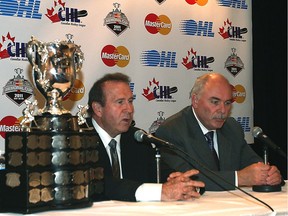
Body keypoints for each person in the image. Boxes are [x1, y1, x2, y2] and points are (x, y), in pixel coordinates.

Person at [86, 72, 205, 201]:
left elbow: (161, 173)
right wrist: (159, 192)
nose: (129, 109)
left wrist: (185, 184)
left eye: (130, 101)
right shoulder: (78, 140)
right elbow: (98, 185)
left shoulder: (136, 137)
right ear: (98, 109)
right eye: (120, 102)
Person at [155, 72, 283, 191]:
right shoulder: (172, 130)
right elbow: (185, 179)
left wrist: (269, 173)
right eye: (215, 102)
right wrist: (239, 178)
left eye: (227, 103)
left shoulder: (232, 127)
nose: (223, 110)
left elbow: (253, 163)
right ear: (195, 100)